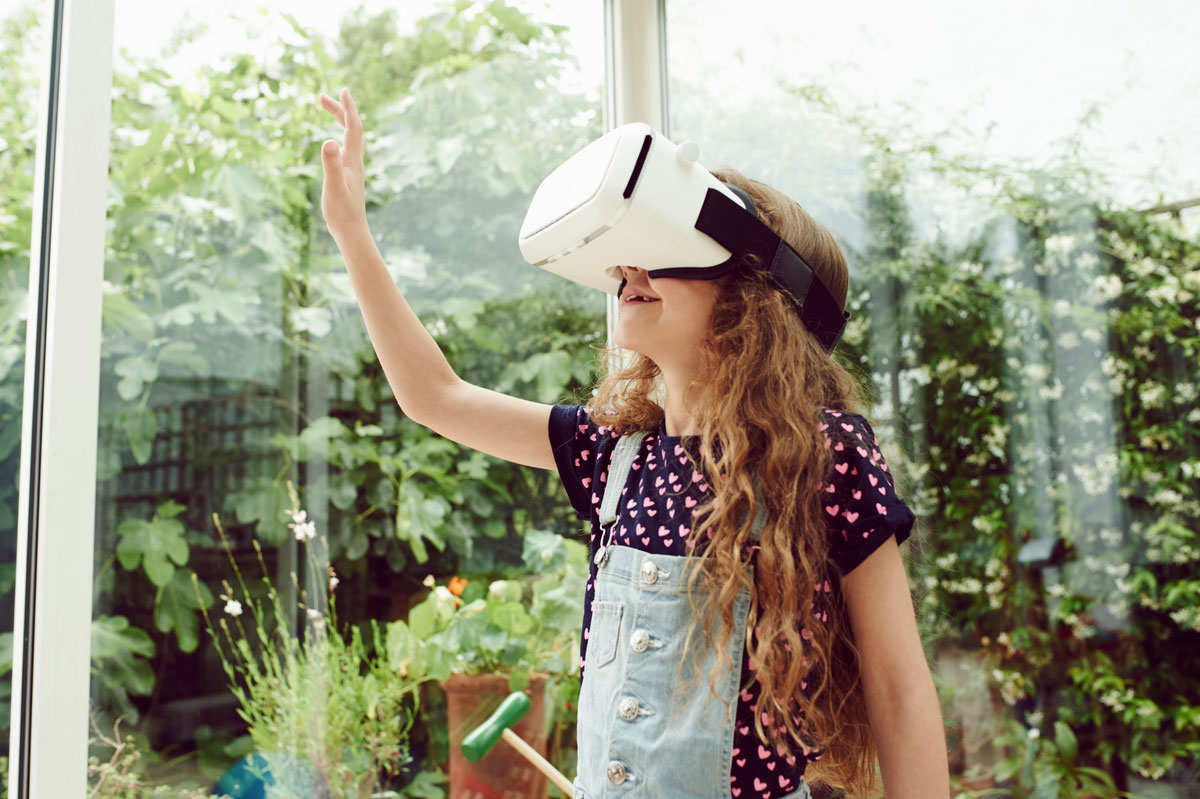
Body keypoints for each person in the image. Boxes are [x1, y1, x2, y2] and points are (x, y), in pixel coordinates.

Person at [317, 86, 951, 799]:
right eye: (627, 254)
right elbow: (436, 397)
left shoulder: (825, 458)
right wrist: (351, 231)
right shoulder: (613, 455)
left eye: (666, 248)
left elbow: (897, 688)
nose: (630, 269)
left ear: (758, 297)